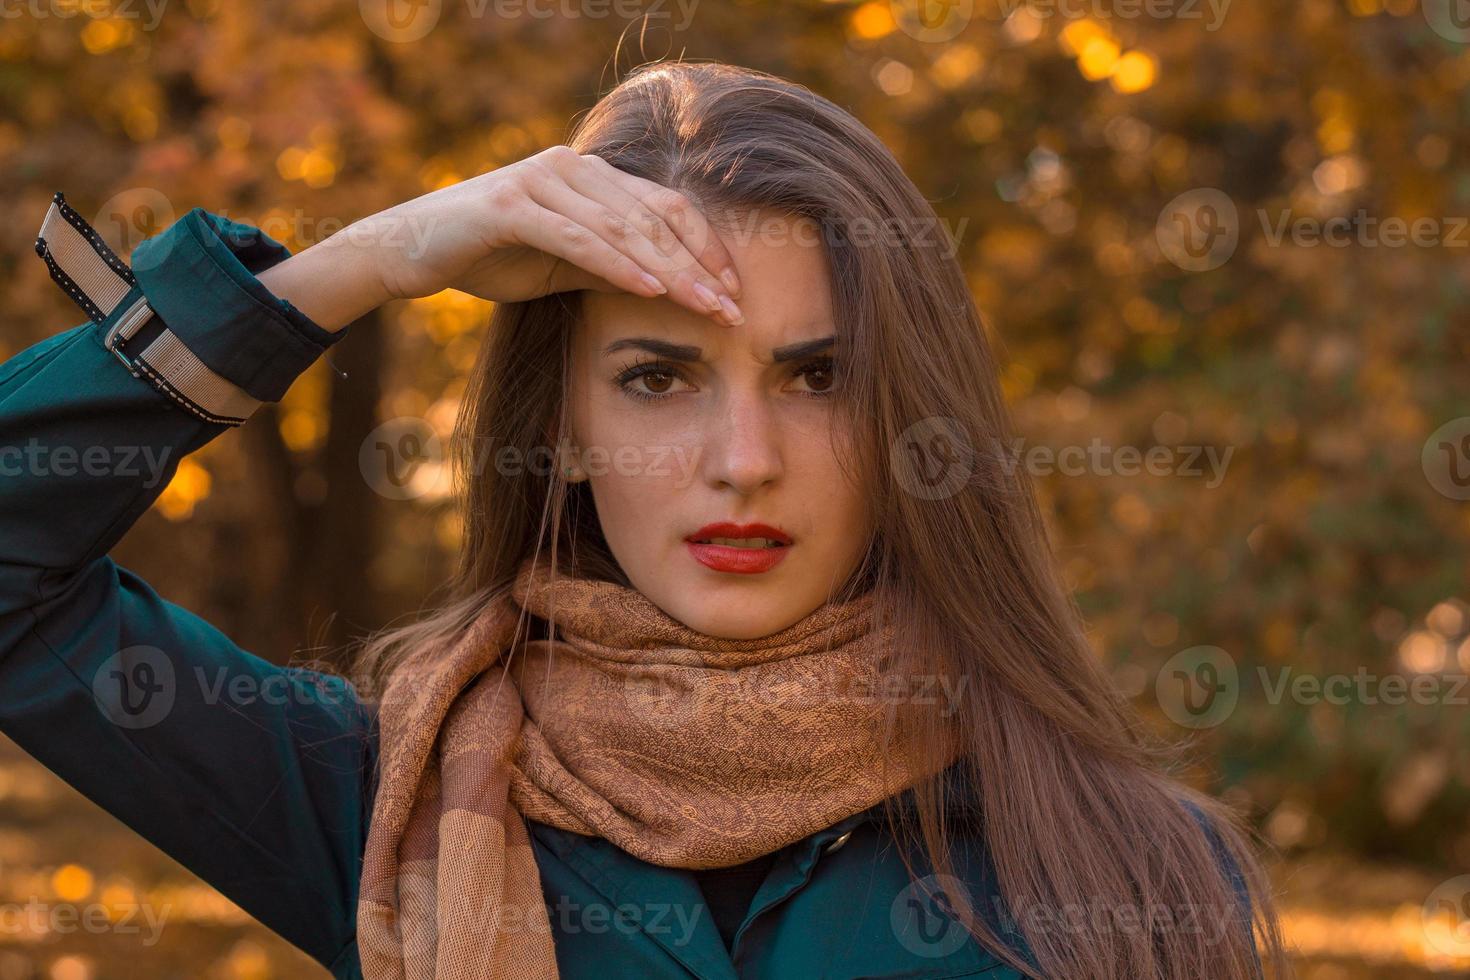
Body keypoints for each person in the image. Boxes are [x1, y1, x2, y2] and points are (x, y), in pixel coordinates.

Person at [0, 60, 1284, 978]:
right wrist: (380, 258)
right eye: (658, 377)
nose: (743, 462)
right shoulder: (381, 798)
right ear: (557, 424)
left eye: (818, 377)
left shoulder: (1127, 867)